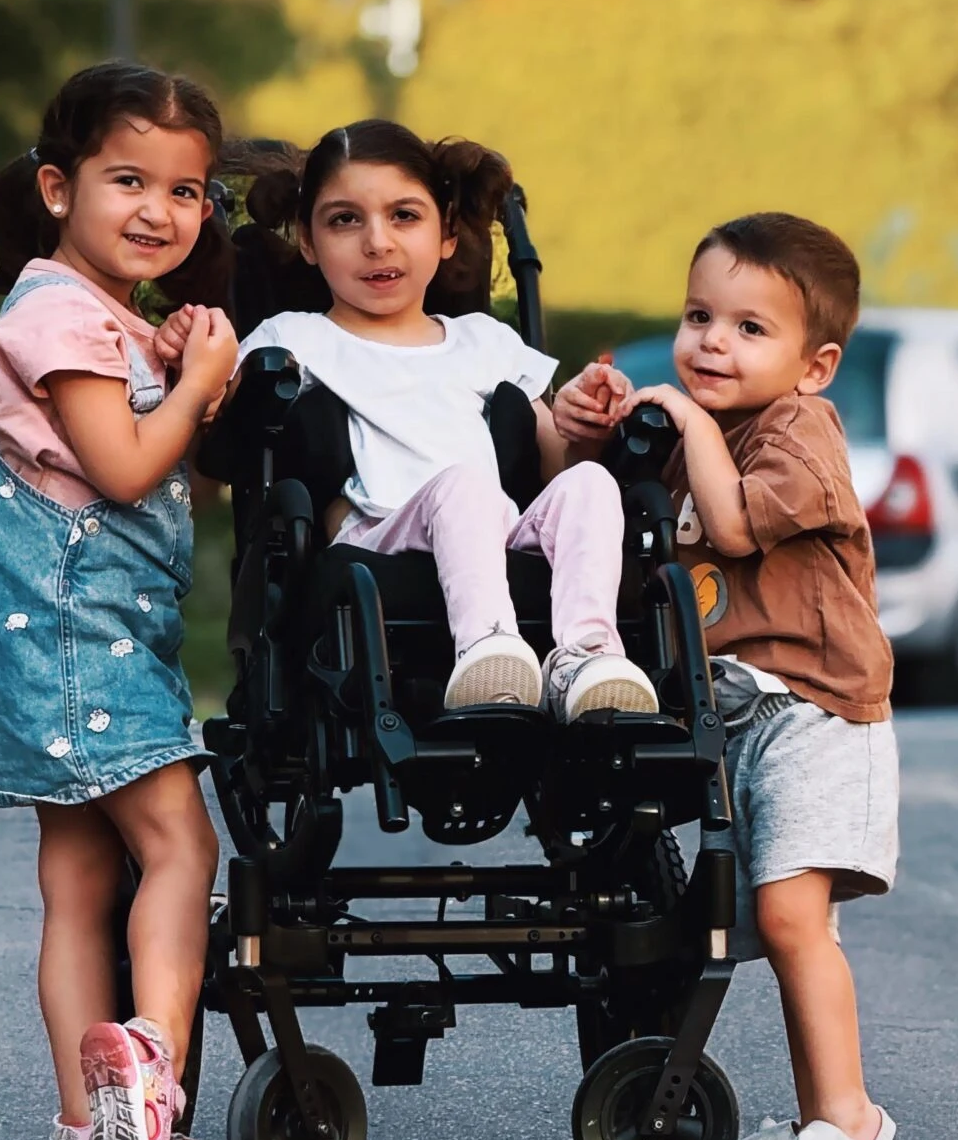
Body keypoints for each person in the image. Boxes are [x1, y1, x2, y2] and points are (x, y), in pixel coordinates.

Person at [552, 211, 914, 1140]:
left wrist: (694, 427)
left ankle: (852, 1122)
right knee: (754, 914)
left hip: (817, 710)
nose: (713, 340)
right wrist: (593, 423)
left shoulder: (802, 431)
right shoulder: (703, 434)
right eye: (698, 314)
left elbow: (741, 525)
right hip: (737, 717)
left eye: (751, 328)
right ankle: (816, 1120)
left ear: (815, 364)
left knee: (795, 917)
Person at [0, 62, 237, 1140]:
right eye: (129, 179)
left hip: (48, 645)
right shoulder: (60, 312)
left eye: (187, 189)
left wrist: (179, 366)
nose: (161, 210)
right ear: (59, 187)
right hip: (82, 642)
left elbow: (132, 437)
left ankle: (84, 1123)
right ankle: (151, 1072)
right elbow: (120, 466)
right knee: (179, 848)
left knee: (74, 878)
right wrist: (203, 372)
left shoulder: (99, 314)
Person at [229, 119, 657, 720]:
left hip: (496, 525)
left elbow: (558, 465)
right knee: (463, 486)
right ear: (307, 240)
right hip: (377, 531)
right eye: (344, 220)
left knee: (591, 485)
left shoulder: (486, 341)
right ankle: (487, 647)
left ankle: (584, 656)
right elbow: (224, 438)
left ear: (447, 234)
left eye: (404, 215)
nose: (377, 242)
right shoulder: (294, 338)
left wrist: (588, 422)